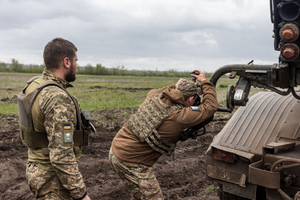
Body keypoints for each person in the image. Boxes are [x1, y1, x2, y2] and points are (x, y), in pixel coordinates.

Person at [109, 70, 218, 199]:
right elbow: (210, 106)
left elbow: (168, 90)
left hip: (116, 149)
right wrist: (204, 82)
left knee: (140, 195)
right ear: (190, 99)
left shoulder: (155, 95)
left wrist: (178, 86)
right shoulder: (179, 116)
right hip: (131, 162)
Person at [17, 38, 91, 200]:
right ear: (66, 62)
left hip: (36, 168)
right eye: (75, 61)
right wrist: (82, 194)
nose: (77, 65)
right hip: (52, 179)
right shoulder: (57, 97)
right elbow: (61, 155)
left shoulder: (35, 84)